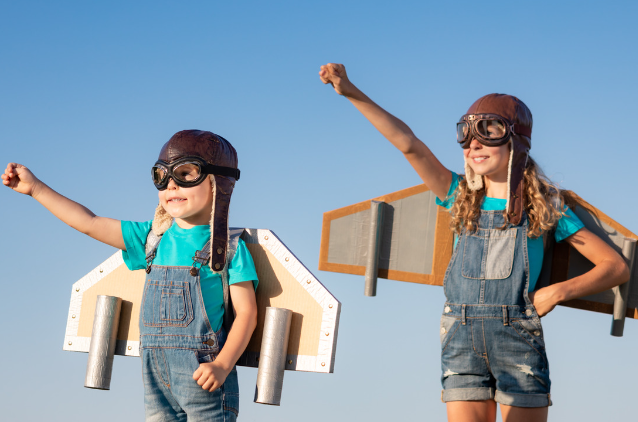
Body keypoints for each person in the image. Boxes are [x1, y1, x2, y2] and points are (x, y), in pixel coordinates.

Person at [318, 63, 629, 422]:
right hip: (460, 338)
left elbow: (615, 267)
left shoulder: (545, 205)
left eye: (488, 131)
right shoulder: (458, 196)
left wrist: (556, 292)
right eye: (466, 135)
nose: (474, 144)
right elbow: (409, 145)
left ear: (516, 141)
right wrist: (352, 91)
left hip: (518, 338)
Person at [2, 129, 258, 421]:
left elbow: (247, 313)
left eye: (187, 174)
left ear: (218, 183)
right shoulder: (151, 238)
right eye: (162, 177)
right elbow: (89, 222)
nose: (172, 185)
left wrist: (223, 365)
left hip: (204, 376)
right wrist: (36, 189)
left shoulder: (228, 249)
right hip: (155, 377)